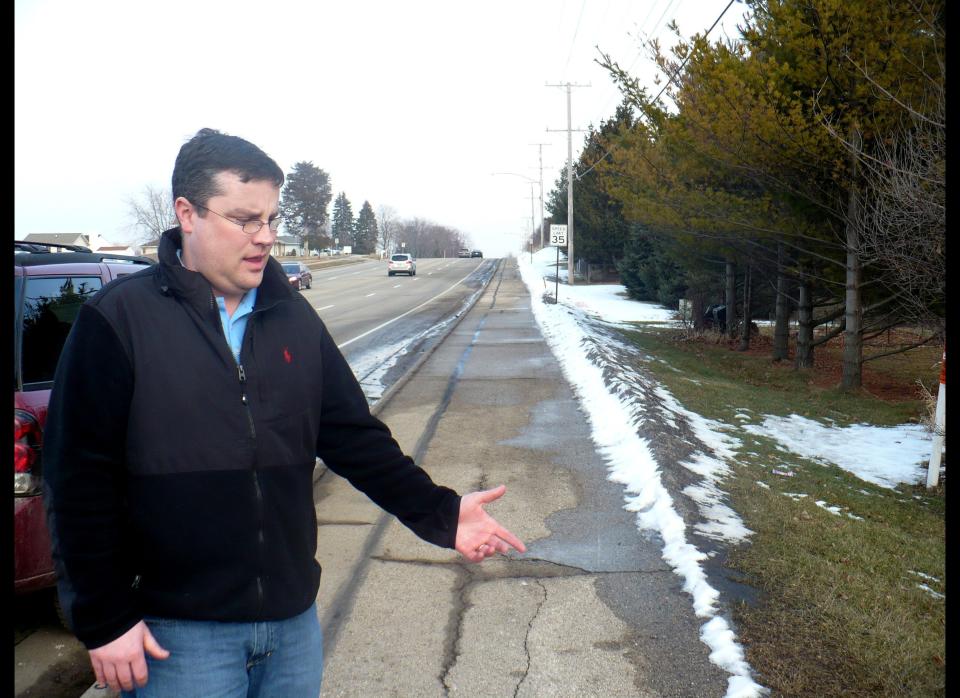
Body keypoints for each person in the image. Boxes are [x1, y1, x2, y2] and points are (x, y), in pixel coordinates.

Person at [43, 127, 526, 697]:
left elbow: (354, 438)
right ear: (187, 213)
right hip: (177, 638)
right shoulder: (117, 321)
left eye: (272, 219)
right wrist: (105, 619)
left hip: (292, 628)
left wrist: (442, 513)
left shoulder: (292, 317)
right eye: (246, 219)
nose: (266, 237)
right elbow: (78, 483)